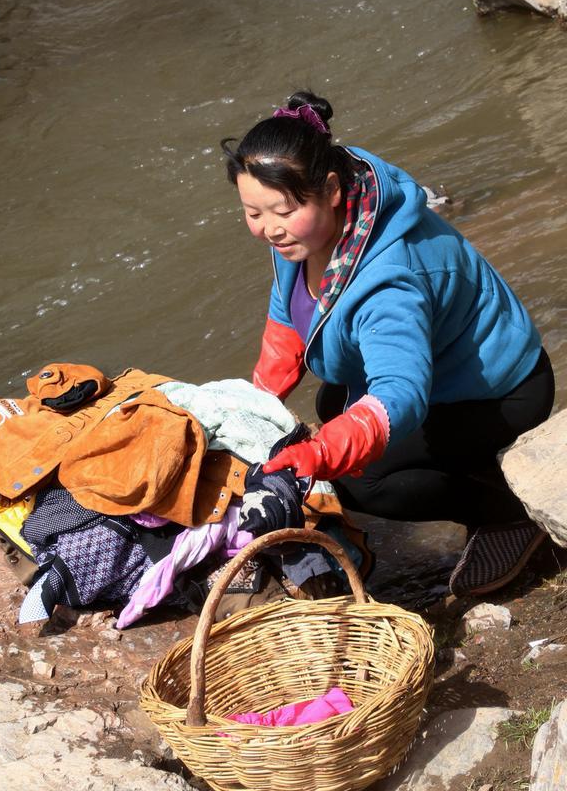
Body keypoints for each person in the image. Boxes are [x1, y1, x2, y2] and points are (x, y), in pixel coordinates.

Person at [220, 90, 555, 597]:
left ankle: (510, 517)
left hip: (498, 391)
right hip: (441, 373)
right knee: (334, 400)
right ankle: (482, 471)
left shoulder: (389, 278)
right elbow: (287, 320)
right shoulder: (308, 230)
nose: (268, 229)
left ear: (331, 189)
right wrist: (249, 412)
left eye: (281, 211)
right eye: (253, 213)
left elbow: (400, 394)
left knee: (360, 479)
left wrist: (320, 455)